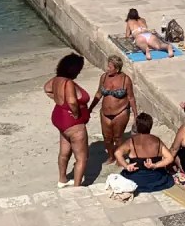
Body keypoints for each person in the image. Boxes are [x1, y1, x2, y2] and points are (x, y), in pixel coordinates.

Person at [44, 53, 90, 188]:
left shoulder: (57, 79)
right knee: (82, 157)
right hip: (72, 123)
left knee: (64, 151)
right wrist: (76, 114)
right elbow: (72, 101)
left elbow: (47, 89)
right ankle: (77, 187)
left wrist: (58, 101)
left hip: (60, 118)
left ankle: (62, 179)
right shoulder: (68, 83)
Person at [89, 55, 137, 163]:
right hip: (105, 113)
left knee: (118, 137)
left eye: (110, 67)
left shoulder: (125, 80)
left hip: (121, 112)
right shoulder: (104, 77)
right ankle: (111, 156)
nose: (107, 69)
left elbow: (131, 97)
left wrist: (135, 114)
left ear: (117, 69)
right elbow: (99, 93)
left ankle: (120, 159)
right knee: (107, 138)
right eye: (108, 66)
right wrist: (90, 108)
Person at [113, 113, 174, 192]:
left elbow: (117, 153)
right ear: (150, 126)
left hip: (136, 178)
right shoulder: (157, 141)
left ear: (138, 127)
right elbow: (170, 158)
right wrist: (155, 165)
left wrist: (126, 166)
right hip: (156, 177)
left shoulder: (132, 141)